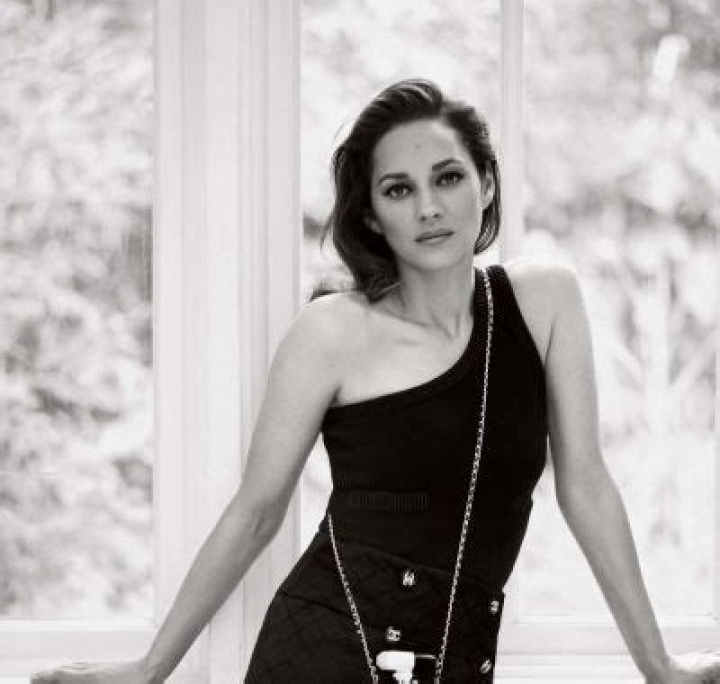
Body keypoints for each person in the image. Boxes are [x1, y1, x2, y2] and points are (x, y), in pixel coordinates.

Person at [30, 79, 719, 684]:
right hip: (324, 652)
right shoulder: (333, 332)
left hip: (458, 659)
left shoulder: (545, 301)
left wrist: (659, 666)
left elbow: (586, 487)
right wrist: (150, 668)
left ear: (486, 184)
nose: (429, 207)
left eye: (448, 178)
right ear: (370, 214)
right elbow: (256, 512)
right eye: (399, 190)